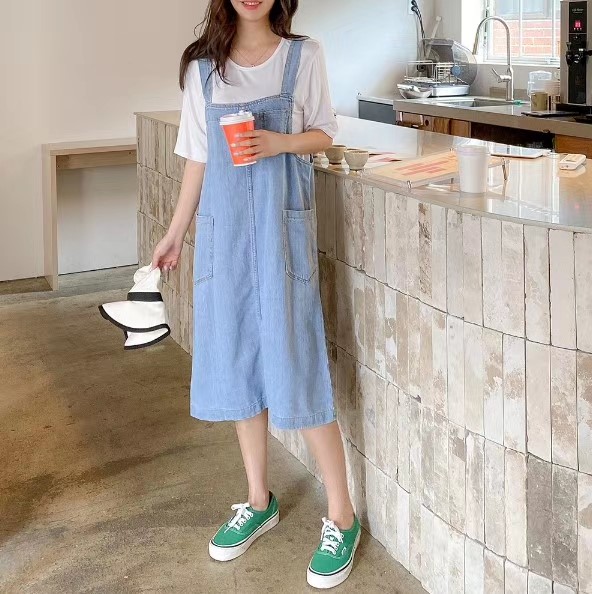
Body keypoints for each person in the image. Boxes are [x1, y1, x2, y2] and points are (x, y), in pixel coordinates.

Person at [151, 0, 359, 588]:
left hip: (279, 232)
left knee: (297, 360)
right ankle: (258, 499)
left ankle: (342, 516)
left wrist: (278, 143)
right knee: (240, 361)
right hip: (226, 235)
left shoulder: (302, 57)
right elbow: (197, 159)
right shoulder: (202, 69)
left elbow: (326, 132)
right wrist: (175, 234)